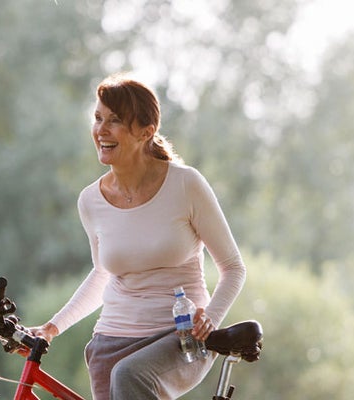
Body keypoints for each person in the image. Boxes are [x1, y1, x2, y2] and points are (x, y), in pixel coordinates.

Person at [30, 74, 247, 399]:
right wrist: (52, 327)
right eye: (98, 118)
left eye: (115, 121)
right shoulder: (90, 200)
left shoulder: (186, 185)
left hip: (181, 337)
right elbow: (103, 273)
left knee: (129, 374)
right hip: (110, 339)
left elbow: (233, 267)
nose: (101, 130)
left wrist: (210, 320)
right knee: (120, 373)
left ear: (146, 132)